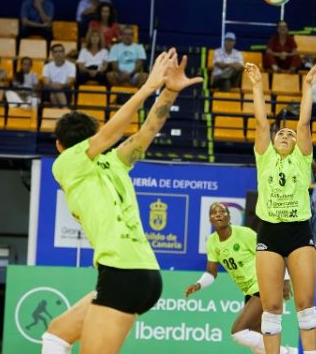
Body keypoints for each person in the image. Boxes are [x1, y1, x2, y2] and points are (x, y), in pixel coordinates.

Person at [42, 48, 203, 354]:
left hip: (123, 273)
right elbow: (148, 130)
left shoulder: (64, 164)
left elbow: (111, 134)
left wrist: (151, 87)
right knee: (56, 334)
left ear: (60, 145)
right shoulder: (115, 162)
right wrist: (168, 92)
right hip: (143, 274)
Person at [244, 60, 316, 354]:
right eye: (282, 133)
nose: (285, 135)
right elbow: (261, 123)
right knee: (272, 307)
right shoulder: (264, 156)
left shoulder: (302, 158)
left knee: (305, 306)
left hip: (297, 232)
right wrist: (257, 85)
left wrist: (308, 86)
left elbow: (304, 123)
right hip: (269, 232)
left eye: (290, 134)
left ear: (298, 144)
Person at [185, 202, 296, 354]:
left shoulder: (244, 234)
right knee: (257, 342)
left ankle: (287, 352)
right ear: (210, 219)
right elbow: (211, 273)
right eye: (213, 212)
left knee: (239, 332)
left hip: (264, 286)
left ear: (229, 217)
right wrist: (198, 285)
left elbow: (272, 253)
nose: (218, 214)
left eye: (222, 211)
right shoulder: (212, 242)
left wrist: (285, 280)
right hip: (249, 292)